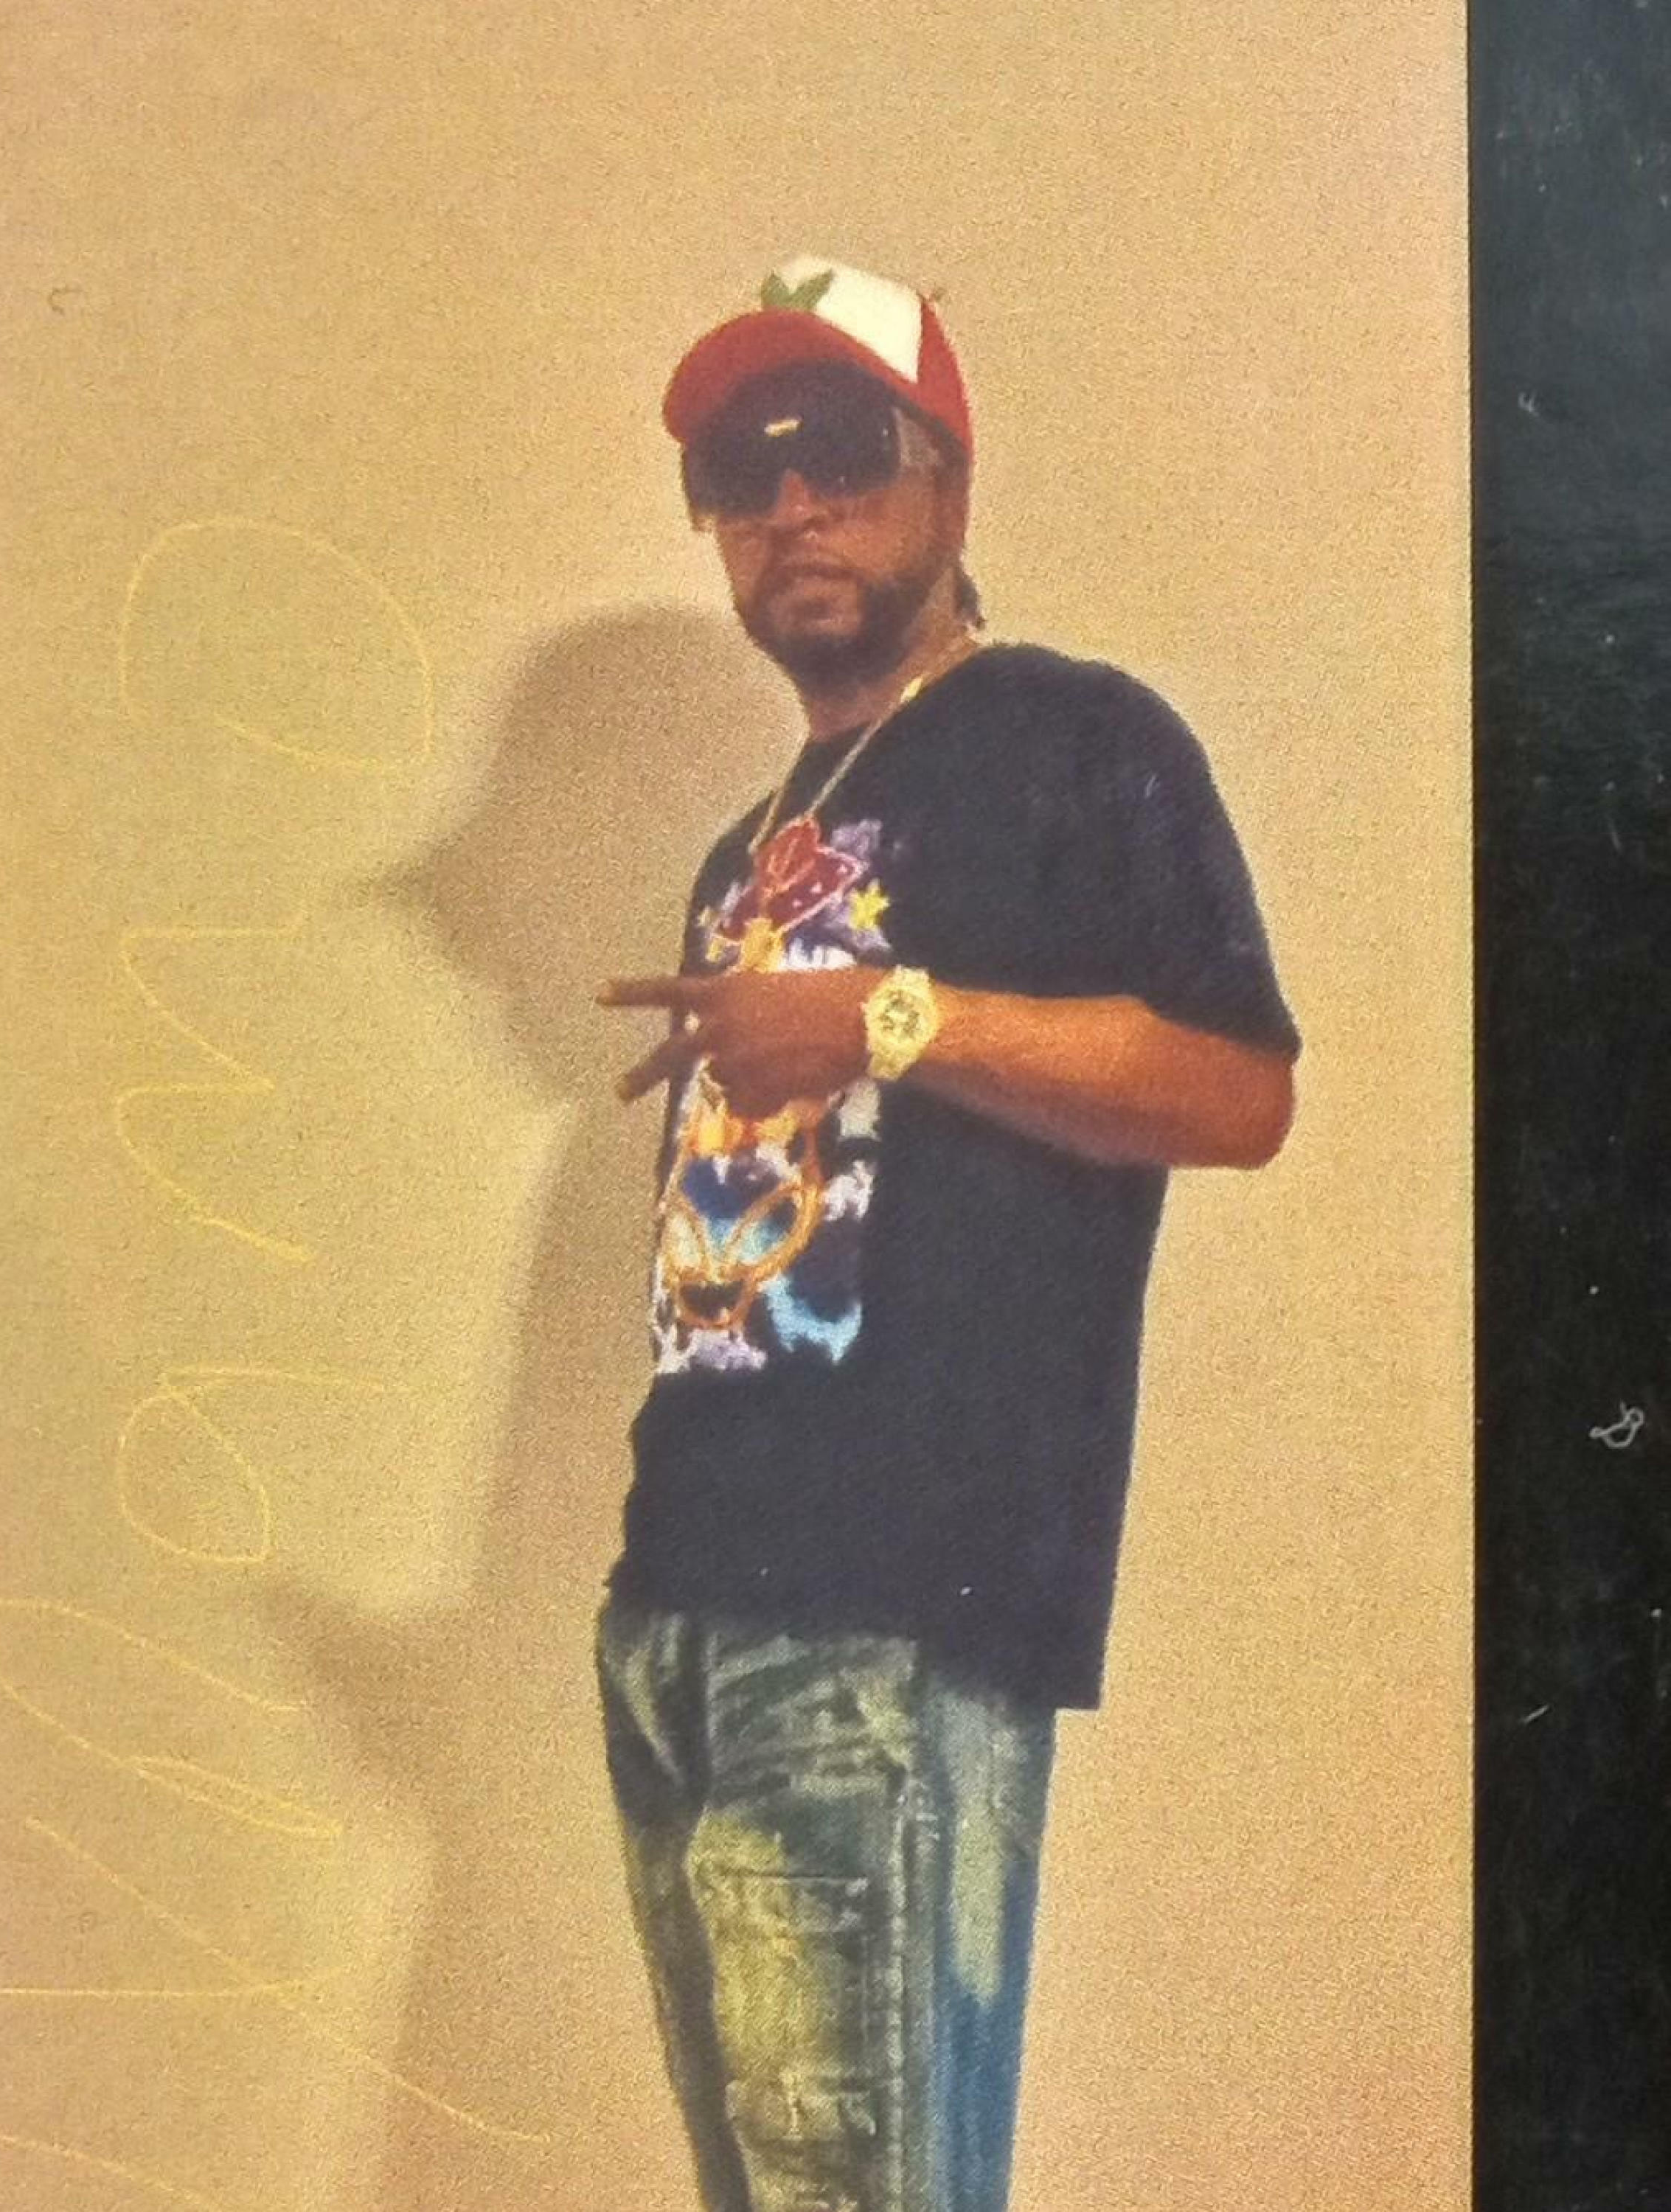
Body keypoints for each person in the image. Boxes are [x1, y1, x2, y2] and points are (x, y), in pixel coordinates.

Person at [594, 254, 1301, 2212]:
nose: (790, 505)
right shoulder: (749, 843)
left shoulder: (1078, 738)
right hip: (678, 1611)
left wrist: (891, 1019)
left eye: (839, 449)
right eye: (740, 472)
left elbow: (1242, 1089)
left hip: (893, 1612)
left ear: (950, 476)